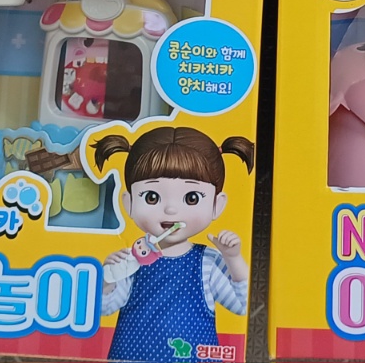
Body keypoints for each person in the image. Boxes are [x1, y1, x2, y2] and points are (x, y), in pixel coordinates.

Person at [94, 126, 254, 361]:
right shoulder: (132, 259)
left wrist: (233, 258)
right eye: (152, 197)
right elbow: (104, 309)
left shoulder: (208, 262)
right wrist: (107, 279)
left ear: (217, 205)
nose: (170, 209)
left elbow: (242, 305)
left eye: (191, 198)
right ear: (129, 203)